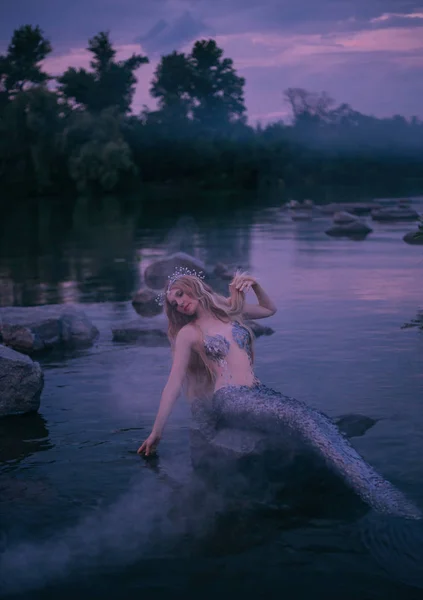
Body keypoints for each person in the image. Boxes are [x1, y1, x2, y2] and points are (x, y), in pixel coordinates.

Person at [138, 268, 421, 521]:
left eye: (181, 295)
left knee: (317, 419)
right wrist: (156, 432)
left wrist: (255, 285)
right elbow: (173, 382)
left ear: (193, 288)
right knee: (304, 421)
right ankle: (384, 498)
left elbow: (268, 310)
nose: (181, 304)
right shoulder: (189, 332)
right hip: (231, 399)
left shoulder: (227, 309)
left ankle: (367, 487)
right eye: (175, 303)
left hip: (259, 392)